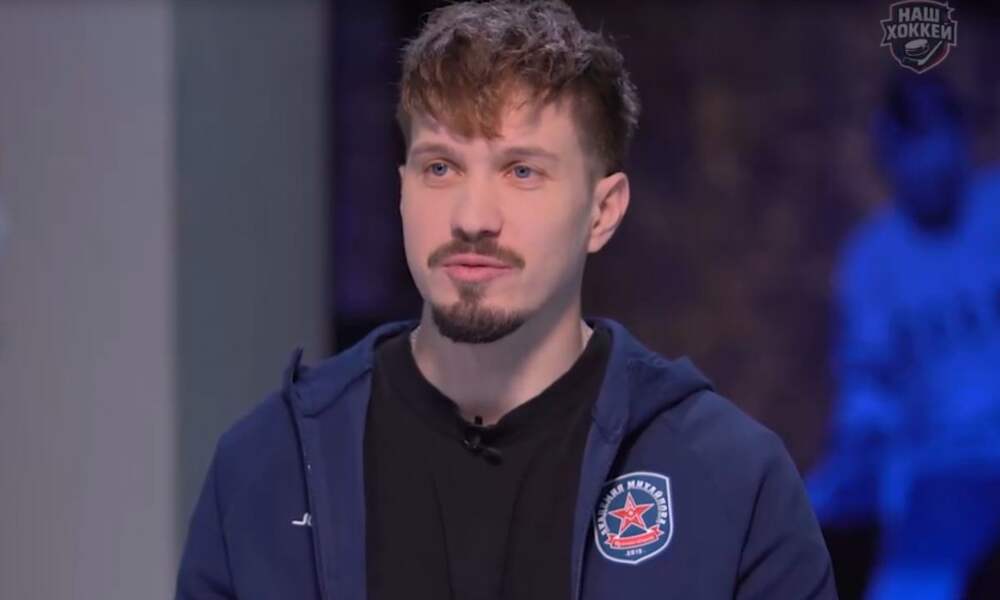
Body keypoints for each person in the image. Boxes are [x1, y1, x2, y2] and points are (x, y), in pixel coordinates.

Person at [175, 1, 835, 598]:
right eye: (441, 167)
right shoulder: (268, 466)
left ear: (603, 211)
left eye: (522, 171)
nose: (472, 217)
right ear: (403, 190)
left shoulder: (729, 480)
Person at [807, 72, 1000, 599]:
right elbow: (866, 384)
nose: (931, 163)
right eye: (913, 147)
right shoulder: (872, 259)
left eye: (940, 138)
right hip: (943, 466)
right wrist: (863, 444)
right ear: (889, 158)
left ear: (963, 138)